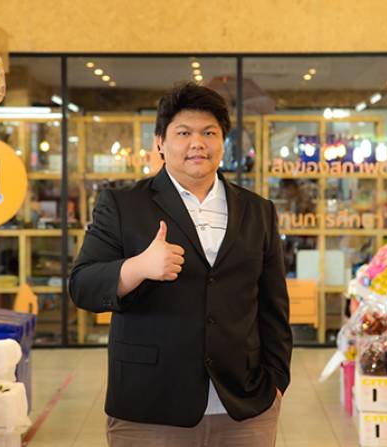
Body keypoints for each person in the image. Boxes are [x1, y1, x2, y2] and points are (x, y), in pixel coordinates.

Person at [69, 82, 293, 446]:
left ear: (223, 142)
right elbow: (82, 286)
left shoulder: (258, 210)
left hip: (245, 406)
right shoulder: (123, 205)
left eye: (209, 133)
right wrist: (137, 268)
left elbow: (273, 307)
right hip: (150, 404)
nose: (197, 143)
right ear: (160, 142)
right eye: (184, 133)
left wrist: (277, 382)